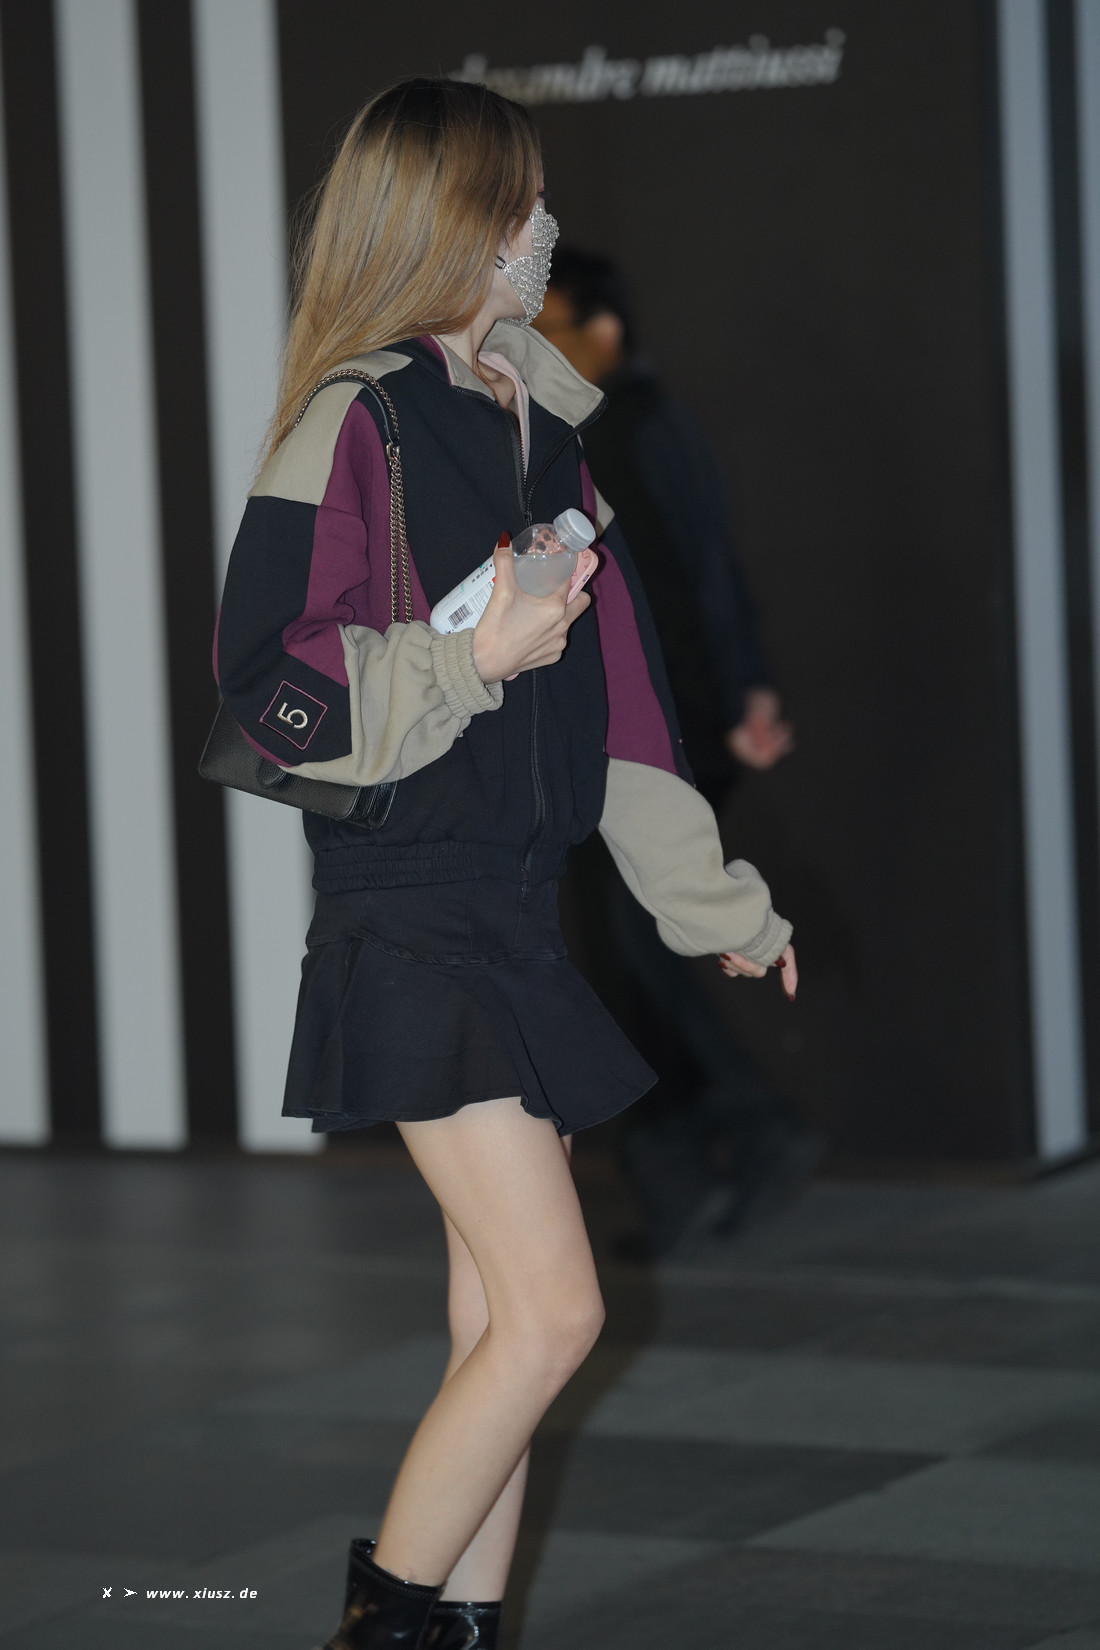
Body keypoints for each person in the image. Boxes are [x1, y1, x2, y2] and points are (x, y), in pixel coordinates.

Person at [213, 79, 795, 1650]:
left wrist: (714, 906)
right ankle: (384, 1630)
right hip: (410, 920)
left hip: (514, 915)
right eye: (523, 201)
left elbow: (629, 713)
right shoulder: (359, 418)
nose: (545, 229)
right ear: (463, 222)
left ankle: (459, 1633)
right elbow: (267, 685)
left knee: (498, 1322)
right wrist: (472, 656)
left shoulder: (546, 431)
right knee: (556, 1312)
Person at [537, 251, 822, 1257]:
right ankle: (678, 1165)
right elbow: (708, 571)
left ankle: (741, 1128)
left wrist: (740, 697)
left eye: (550, 325)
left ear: (603, 333)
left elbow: (693, 575)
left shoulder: (630, 428)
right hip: (642, 726)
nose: (531, 344)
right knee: (625, 953)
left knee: (634, 947)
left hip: (653, 733)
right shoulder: (617, 427)